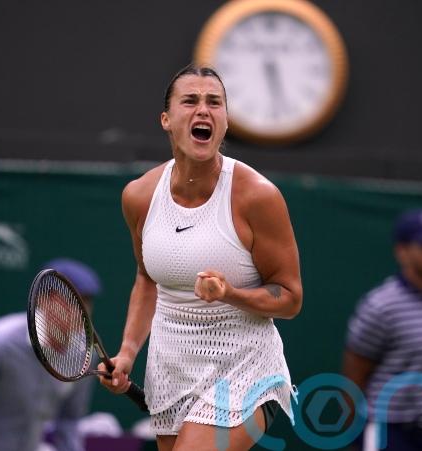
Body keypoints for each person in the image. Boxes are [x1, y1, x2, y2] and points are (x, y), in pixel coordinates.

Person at [98, 64, 303, 451]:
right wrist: (126, 354)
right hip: (170, 370)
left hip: (244, 367)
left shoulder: (257, 196)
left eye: (214, 103)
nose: (203, 110)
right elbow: (147, 279)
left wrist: (230, 294)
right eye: (190, 101)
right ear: (166, 119)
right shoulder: (139, 196)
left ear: (225, 121)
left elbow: (290, 298)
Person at [0, 258, 102, 451]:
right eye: (70, 300)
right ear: (43, 300)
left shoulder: (84, 354)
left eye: (86, 301)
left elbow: (69, 420)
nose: (81, 310)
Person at [342, 208, 422, 450]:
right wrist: (353, 432)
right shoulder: (380, 305)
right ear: (402, 251)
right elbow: (356, 370)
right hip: (392, 432)